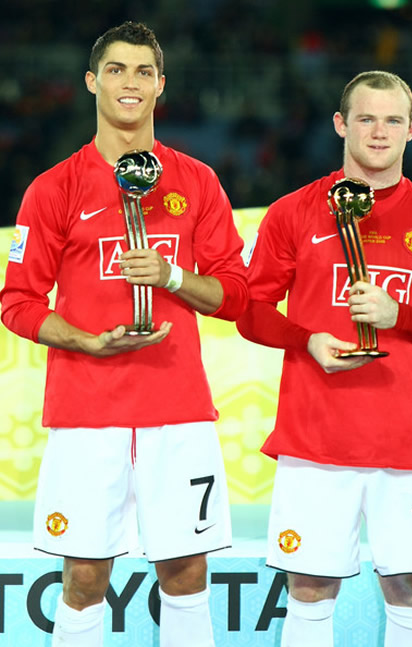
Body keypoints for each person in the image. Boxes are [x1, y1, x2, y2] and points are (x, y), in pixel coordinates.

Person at [0, 21, 248, 647]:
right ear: (92, 81)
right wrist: (83, 340)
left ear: (161, 85)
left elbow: (236, 295)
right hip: (87, 414)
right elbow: (17, 301)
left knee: (188, 573)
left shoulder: (197, 182)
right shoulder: (52, 189)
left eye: (143, 72)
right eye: (116, 70)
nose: (129, 83)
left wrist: (171, 275)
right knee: (84, 577)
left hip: (177, 412)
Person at [236, 70, 412, 647]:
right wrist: (307, 339)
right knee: (311, 593)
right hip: (316, 441)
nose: (379, 131)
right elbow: (251, 311)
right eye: (366, 118)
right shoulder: (293, 212)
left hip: (408, 444)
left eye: (393, 119)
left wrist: (402, 318)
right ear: (341, 124)